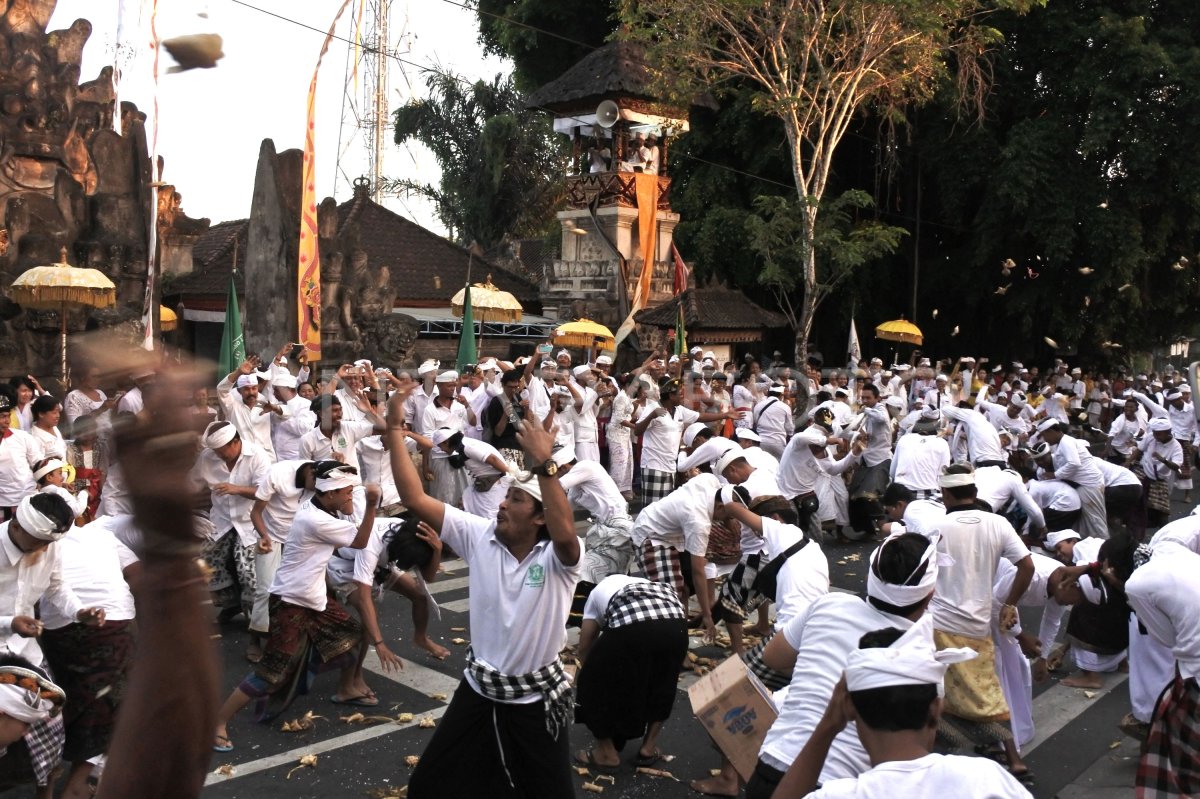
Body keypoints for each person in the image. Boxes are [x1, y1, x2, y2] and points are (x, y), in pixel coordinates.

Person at [384, 378, 582, 799]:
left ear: (540, 518)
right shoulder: (481, 535)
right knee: (428, 786)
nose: (503, 505)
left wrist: (545, 464)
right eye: (506, 497)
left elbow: (567, 536)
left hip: (532, 701)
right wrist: (392, 431)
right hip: (478, 691)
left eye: (516, 501)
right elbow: (414, 497)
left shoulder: (559, 562)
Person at [741, 533, 940, 799]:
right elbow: (919, 745)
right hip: (847, 786)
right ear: (929, 596)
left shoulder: (829, 605)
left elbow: (773, 658)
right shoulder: (922, 656)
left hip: (774, 766)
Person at [213, 463, 382, 750]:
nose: (350, 497)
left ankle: (345, 688)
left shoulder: (319, 507)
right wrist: (373, 507)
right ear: (329, 496)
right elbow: (361, 540)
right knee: (271, 671)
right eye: (347, 492)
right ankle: (218, 722)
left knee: (355, 634)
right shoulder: (317, 520)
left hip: (313, 599)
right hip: (292, 603)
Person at [773, 616, 1033, 799]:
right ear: (936, 708)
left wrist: (828, 725)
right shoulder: (984, 779)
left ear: (849, 708)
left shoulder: (838, 794)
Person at [929, 463, 1034, 781]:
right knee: (986, 688)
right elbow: (1026, 566)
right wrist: (1010, 603)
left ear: (946, 494)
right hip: (977, 623)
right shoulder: (998, 524)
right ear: (974, 492)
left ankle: (935, 762)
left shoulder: (937, 526)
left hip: (940, 621)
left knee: (937, 691)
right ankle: (1011, 758)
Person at [39, 514, 138, 799]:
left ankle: (52, 775)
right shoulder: (104, 534)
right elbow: (137, 575)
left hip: (59, 628)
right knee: (107, 700)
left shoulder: (38, 538)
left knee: (68, 695)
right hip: (111, 621)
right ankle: (79, 780)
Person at [572, 574, 688, 772]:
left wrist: (586, 677)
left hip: (633, 622)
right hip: (675, 623)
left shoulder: (594, 595)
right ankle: (648, 749)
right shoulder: (645, 584)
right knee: (664, 682)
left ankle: (606, 753)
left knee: (590, 682)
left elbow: (584, 647)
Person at [328, 510, 449, 694]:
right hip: (344, 567)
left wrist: (437, 549)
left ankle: (420, 638)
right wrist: (379, 644)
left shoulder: (409, 532)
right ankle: (352, 680)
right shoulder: (370, 544)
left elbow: (429, 577)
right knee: (368, 620)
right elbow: (364, 597)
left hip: (382, 564)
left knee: (419, 596)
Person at [1125, 539, 1200, 797]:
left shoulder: (1136, 585)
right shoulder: (1185, 556)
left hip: (1195, 676)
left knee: (1184, 757)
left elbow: (1167, 639)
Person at [191, 421, 272, 631]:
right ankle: (232, 604)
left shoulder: (257, 456)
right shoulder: (207, 458)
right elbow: (191, 483)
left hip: (250, 522)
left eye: (222, 452)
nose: (218, 456)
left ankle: (256, 623)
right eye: (215, 452)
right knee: (207, 563)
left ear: (235, 442)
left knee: (247, 570)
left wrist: (237, 489)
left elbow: (266, 491)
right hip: (222, 520)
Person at [247, 459, 318, 662]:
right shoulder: (277, 474)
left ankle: (298, 638)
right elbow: (256, 513)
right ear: (309, 472)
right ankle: (255, 638)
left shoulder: (323, 480)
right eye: (316, 484)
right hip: (270, 536)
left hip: (300, 539)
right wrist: (264, 536)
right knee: (265, 588)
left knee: (302, 589)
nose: (318, 489)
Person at [556, 446, 634, 583]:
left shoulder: (585, 466)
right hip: (604, 529)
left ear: (563, 467)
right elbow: (566, 510)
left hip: (616, 526)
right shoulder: (576, 485)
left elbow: (556, 486)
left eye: (556, 472)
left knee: (588, 573)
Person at [28, 395, 65, 461]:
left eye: (58, 412)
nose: (58, 416)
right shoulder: (34, 437)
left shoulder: (55, 428)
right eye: (54, 413)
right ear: (41, 414)